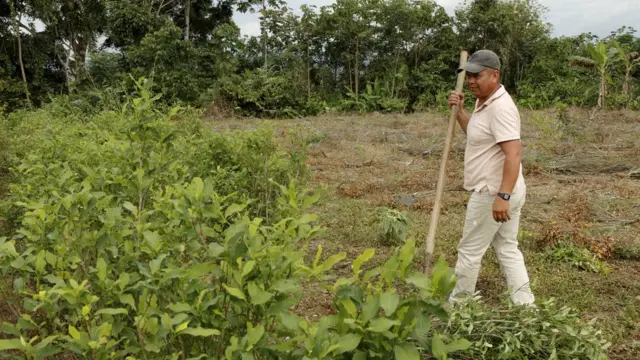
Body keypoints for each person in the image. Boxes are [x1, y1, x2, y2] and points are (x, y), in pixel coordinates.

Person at [447, 49, 535, 305]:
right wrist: (460, 111)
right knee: (507, 248)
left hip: (494, 192)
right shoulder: (484, 101)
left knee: (470, 251)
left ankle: (459, 308)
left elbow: (514, 154)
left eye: (477, 75)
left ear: (495, 75)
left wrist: (501, 197)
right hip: (506, 189)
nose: (472, 81)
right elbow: (476, 134)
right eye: (469, 76)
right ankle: (525, 306)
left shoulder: (501, 109)